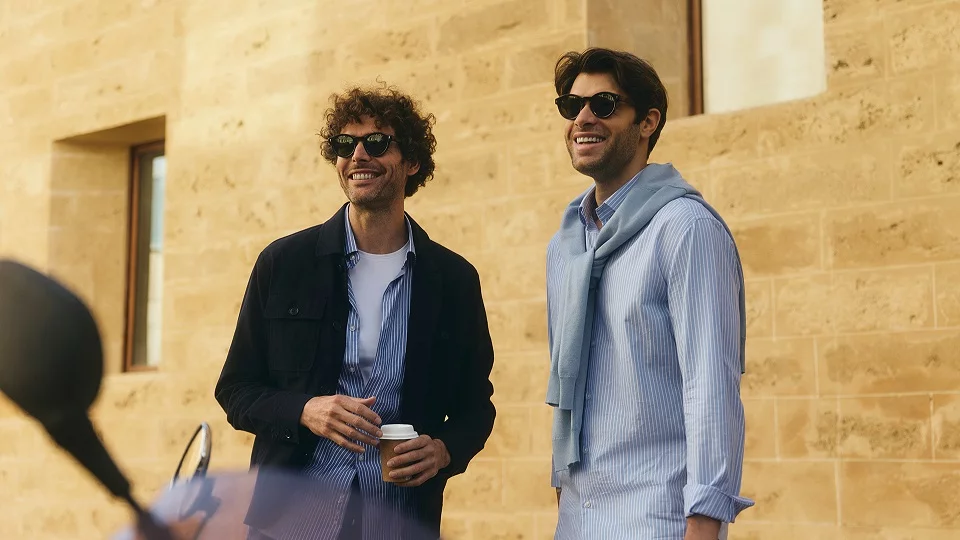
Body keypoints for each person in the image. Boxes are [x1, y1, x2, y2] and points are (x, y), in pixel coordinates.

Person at [215, 84, 496, 540]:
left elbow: (476, 408)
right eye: (346, 144)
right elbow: (236, 389)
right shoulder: (283, 264)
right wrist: (306, 410)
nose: (358, 155)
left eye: (378, 142)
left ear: (412, 162)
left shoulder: (454, 280)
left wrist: (444, 451)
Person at [545, 48, 755, 540]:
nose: (582, 119)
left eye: (603, 104)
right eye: (571, 106)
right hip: (577, 522)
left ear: (647, 122)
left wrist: (704, 524)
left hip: (658, 519)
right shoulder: (566, 246)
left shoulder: (685, 228)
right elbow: (564, 387)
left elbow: (710, 385)